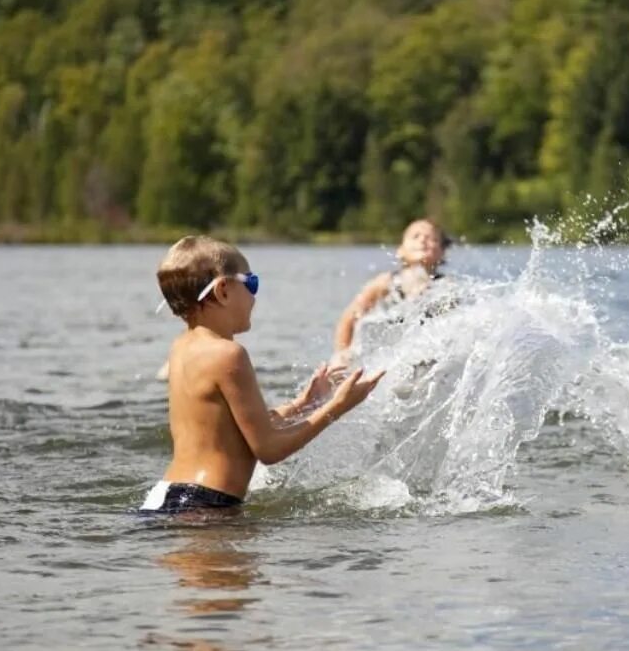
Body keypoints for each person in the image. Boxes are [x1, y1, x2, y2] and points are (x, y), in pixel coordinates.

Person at [142, 236, 384, 514]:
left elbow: (233, 432)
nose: (254, 296)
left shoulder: (182, 347)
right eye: (251, 283)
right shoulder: (228, 354)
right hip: (204, 507)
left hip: (166, 495)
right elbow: (269, 449)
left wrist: (302, 404)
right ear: (223, 290)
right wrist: (338, 406)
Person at [332, 219, 453, 365]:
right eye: (415, 236)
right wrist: (342, 353)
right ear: (400, 251)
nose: (423, 240)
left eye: (432, 239)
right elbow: (349, 318)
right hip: (389, 354)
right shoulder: (386, 282)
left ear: (442, 252)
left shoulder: (446, 286)